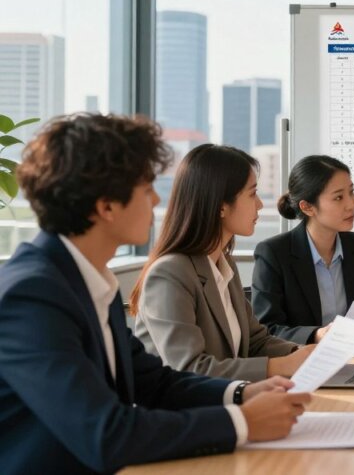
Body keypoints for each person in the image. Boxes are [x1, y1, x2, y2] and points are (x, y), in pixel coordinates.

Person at [0, 114, 309, 473]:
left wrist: (241, 394)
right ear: (107, 206)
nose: (157, 198)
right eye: (146, 188)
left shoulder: (90, 282)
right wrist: (242, 422)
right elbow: (107, 434)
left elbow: (155, 382)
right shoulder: (32, 297)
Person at [131, 145, 314, 381]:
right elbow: (189, 369)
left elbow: (255, 341)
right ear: (221, 205)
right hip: (183, 413)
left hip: (225, 403)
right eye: (252, 193)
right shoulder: (170, 272)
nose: (259, 204)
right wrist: (280, 367)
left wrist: (304, 354)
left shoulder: (222, 263)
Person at [251, 155, 354, 344]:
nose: (351, 204)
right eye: (338, 197)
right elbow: (267, 329)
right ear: (308, 207)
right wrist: (317, 334)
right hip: (301, 362)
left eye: (352, 192)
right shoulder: (274, 253)